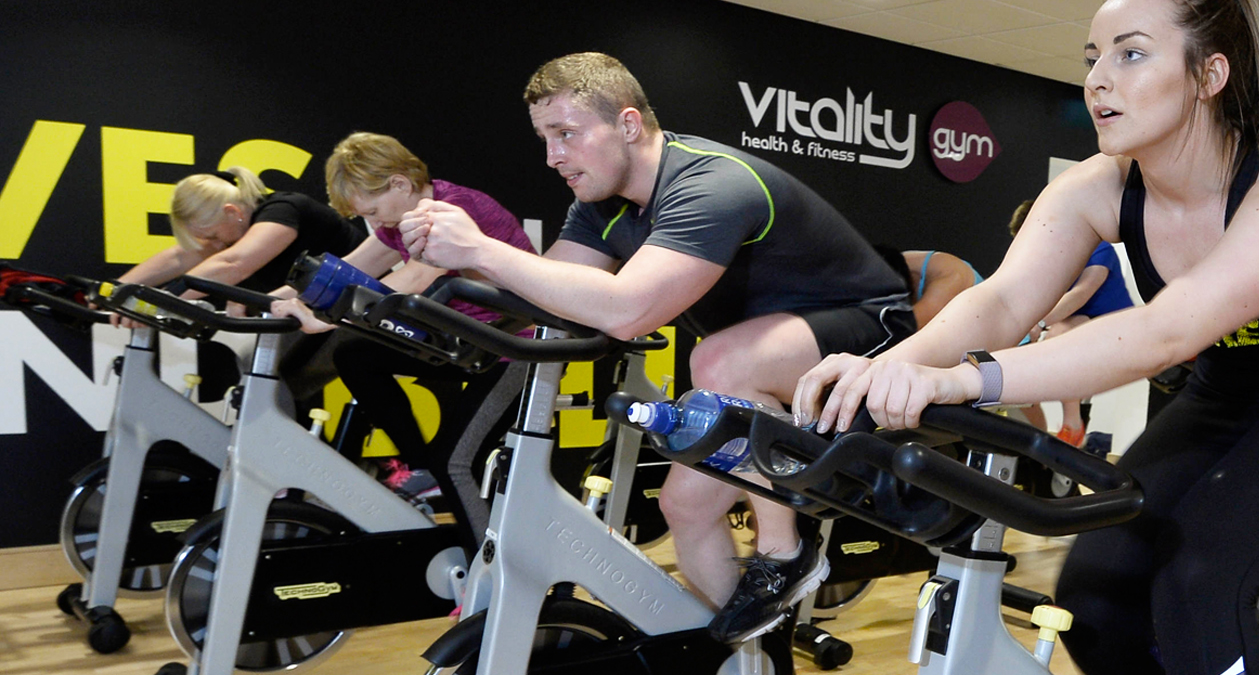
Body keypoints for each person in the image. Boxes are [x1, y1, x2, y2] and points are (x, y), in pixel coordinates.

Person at [792, 0, 1259, 674]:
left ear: (1210, 73)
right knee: (1094, 599)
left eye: (1131, 55)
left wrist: (967, 379)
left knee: (1200, 582)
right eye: (1093, 57)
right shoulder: (1100, 186)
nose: (1097, 80)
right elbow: (1000, 302)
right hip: (1226, 397)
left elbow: (1165, 335)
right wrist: (889, 365)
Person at [398, 52, 915, 643]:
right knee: (685, 507)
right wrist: (432, 289)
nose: (552, 156)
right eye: (544, 137)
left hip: (872, 337)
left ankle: (785, 550)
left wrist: (483, 250)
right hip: (760, 370)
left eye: (566, 134)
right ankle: (753, 652)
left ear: (627, 124)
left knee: (718, 359)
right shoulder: (598, 206)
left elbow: (629, 309)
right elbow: (555, 295)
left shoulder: (710, 183)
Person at [271, 131, 536, 548]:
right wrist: (274, 298)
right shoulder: (397, 220)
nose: (373, 224)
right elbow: (351, 269)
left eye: (374, 211)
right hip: (469, 343)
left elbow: (412, 279)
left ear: (400, 183)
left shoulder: (446, 211)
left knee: (456, 463)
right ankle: (419, 468)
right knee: (356, 353)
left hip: (515, 350)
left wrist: (324, 316)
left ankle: (488, 581)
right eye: (364, 217)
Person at [115, 167, 367, 306]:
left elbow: (234, 263)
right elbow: (179, 258)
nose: (214, 246)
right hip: (322, 305)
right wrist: (118, 290)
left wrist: (160, 302)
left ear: (232, 212)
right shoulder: (233, 231)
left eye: (213, 236)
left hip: (363, 302)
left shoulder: (283, 209)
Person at [1011, 199, 1136, 445]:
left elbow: (1081, 294)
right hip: (1078, 323)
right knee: (1055, 333)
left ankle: (1073, 424)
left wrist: (1039, 321)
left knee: (1062, 333)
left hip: (1117, 326)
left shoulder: (1099, 247)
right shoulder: (1047, 258)